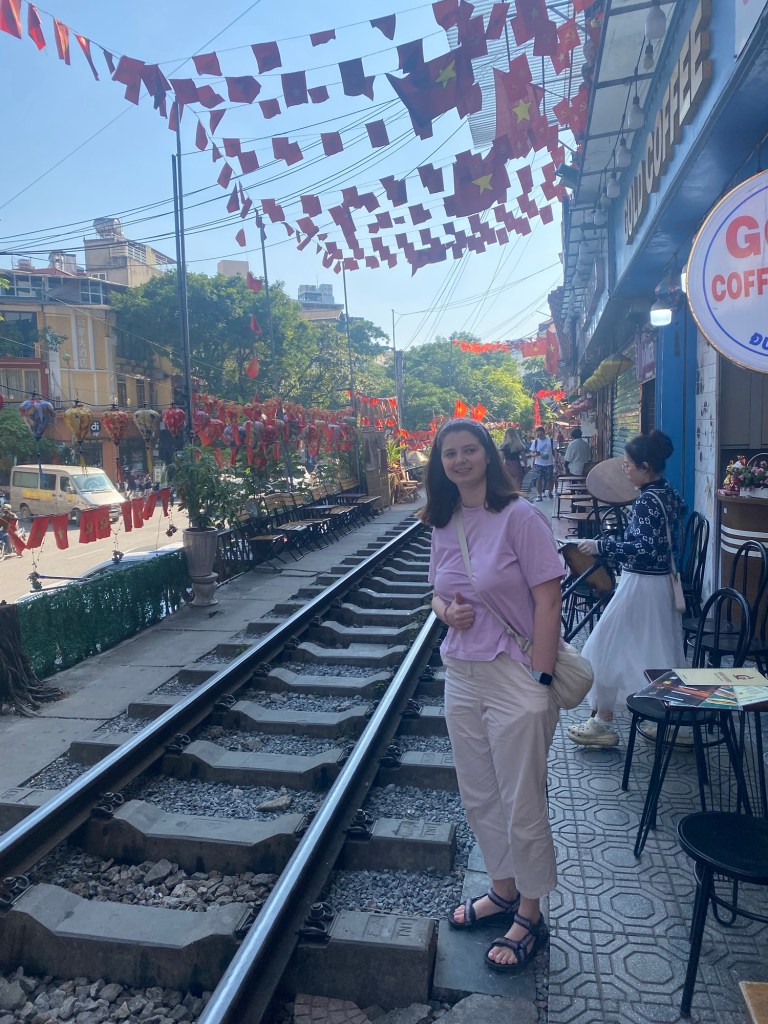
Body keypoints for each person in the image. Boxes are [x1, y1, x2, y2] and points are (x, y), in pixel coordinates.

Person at [421, 419, 564, 972]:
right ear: (440, 464)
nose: (459, 460)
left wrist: (541, 680)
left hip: (513, 674)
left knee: (522, 799)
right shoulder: (444, 520)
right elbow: (437, 592)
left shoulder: (520, 517)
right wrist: (446, 613)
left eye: (469, 450)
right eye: (449, 453)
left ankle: (530, 912)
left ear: (487, 455)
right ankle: (502, 890)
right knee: (479, 792)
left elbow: (548, 601)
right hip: (461, 671)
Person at [566, 430, 686, 748]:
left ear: (646, 467)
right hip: (658, 585)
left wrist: (601, 546)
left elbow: (644, 549)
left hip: (641, 585)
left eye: (629, 465)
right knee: (656, 650)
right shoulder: (668, 493)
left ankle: (603, 722)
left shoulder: (647, 501)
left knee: (603, 646)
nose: (625, 470)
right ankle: (667, 721)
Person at [529, 426, 556, 501]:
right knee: (538, 479)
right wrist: (535, 455)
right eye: (538, 435)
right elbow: (531, 453)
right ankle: (539, 494)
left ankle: (550, 492)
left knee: (550, 479)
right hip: (538, 463)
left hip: (549, 463)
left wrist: (556, 461)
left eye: (541, 435)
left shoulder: (550, 440)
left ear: (544, 433)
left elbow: (555, 452)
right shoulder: (535, 442)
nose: (539, 436)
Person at [499, 426, 526, 492]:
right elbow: (524, 457)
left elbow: (501, 459)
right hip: (517, 466)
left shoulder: (503, 446)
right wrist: (525, 466)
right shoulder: (519, 445)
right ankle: (517, 495)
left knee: (508, 485)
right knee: (518, 484)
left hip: (507, 466)